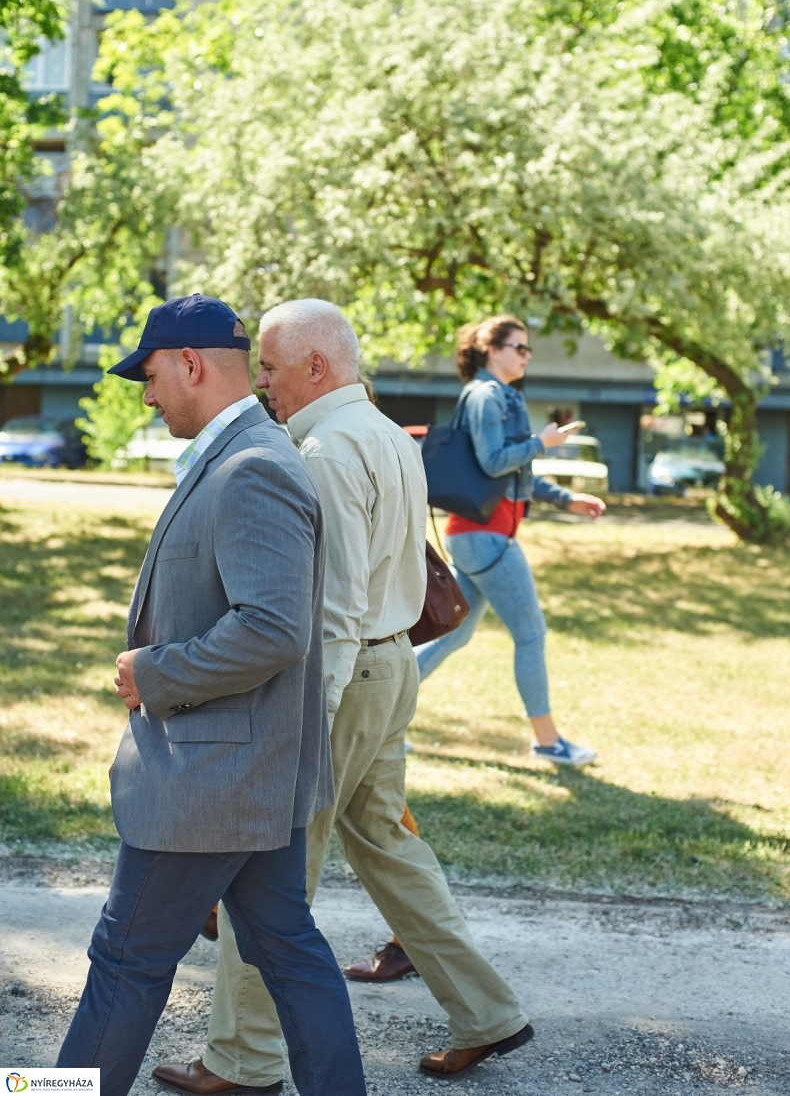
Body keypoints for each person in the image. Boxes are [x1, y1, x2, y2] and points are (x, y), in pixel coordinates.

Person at [152, 299, 533, 1091]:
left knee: (270, 871)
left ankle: (243, 1060)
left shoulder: (323, 450)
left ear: (315, 366)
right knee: (389, 846)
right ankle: (488, 1011)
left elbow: (333, 604)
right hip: (389, 669)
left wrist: (305, 726)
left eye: (269, 366)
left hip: (342, 680)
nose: (261, 381)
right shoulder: (386, 434)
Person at [56, 294, 366, 1096]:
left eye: (150, 376)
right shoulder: (244, 453)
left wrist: (153, 673)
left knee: (124, 961)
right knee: (289, 951)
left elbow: (273, 628)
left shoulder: (252, 465)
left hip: (209, 785)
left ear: (190, 364)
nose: (147, 395)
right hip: (246, 776)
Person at [414, 314, 606, 766]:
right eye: (519, 347)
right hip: (486, 537)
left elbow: (515, 477)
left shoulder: (499, 395)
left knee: (452, 636)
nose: (527, 356)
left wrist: (568, 499)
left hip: (479, 535)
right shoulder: (485, 396)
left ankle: (380, 719)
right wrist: (542, 442)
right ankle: (548, 741)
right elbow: (494, 461)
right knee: (531, 633)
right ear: (491, 350)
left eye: (528, 349)